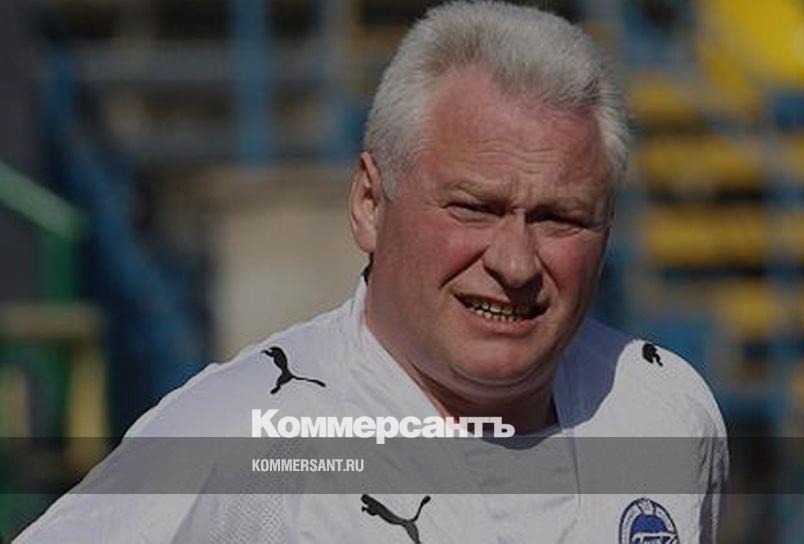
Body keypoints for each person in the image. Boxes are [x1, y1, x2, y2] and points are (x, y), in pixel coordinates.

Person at [16, 2, 727, 542]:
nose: (514, 263)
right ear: (369, 205)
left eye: (559, 218)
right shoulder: (248, 442)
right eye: (473, 208)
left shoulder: (665, 409)